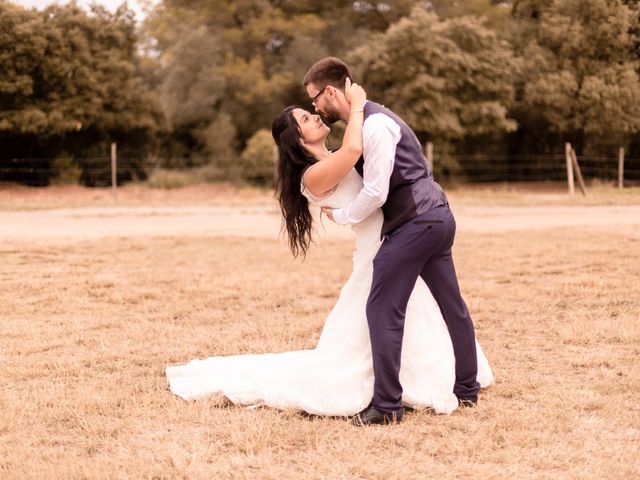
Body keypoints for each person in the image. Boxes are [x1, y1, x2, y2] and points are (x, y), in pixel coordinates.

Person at [165, 78, 493, 419]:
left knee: (420, 311)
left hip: (403, 235)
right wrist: (357, 104)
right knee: (388, 315)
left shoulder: (336, 154)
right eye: (306, 119)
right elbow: (354, 151)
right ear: (298, 139)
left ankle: (434, 387)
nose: (314, 116)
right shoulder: (314, 176)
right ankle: (398, 395)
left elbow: (375, 169)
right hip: (380, 246)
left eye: (311, 111)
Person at [304, 57, 482, 426]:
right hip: (435, 216)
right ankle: (467, 388)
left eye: (315, 100)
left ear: (331, 91)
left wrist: (342, 216)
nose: (315, 108)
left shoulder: (374, 127)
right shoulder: (367, 121)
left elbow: (376, 191)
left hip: (416, 223)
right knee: (452, 304)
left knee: (382, 308)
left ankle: (387, 405)